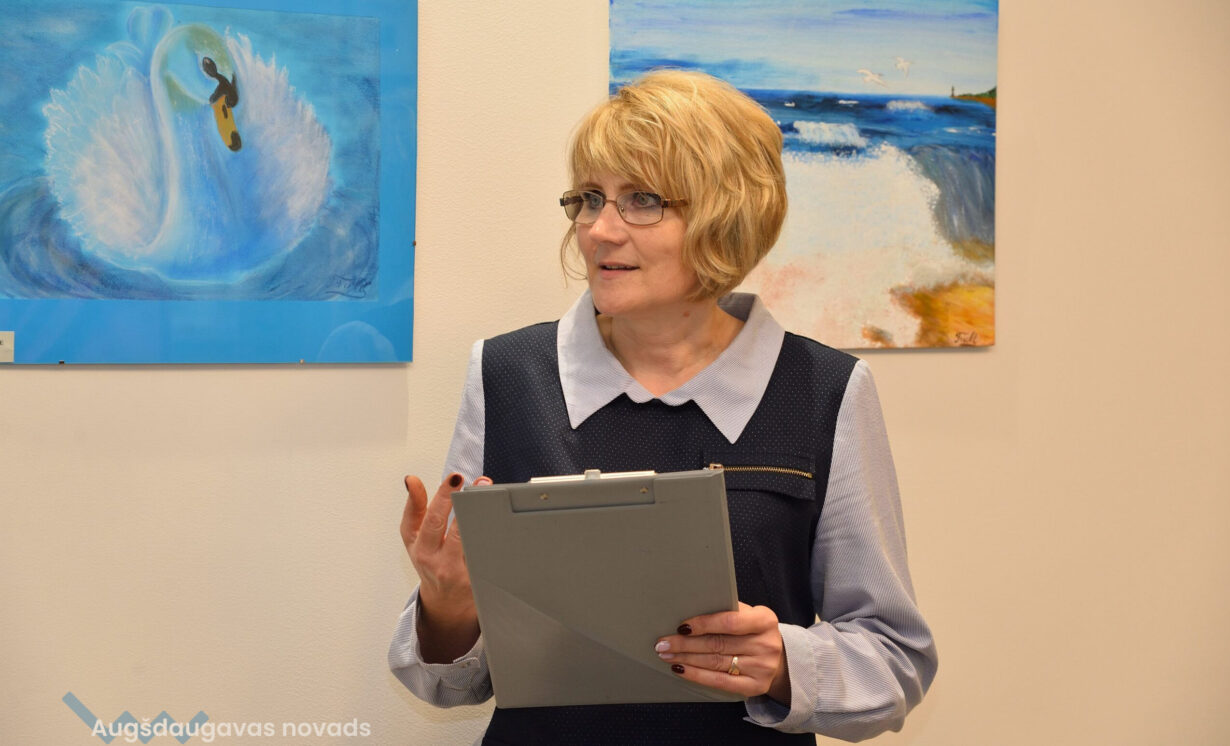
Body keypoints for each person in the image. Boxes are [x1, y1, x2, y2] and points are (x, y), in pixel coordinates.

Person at [389, 70, 936, 743]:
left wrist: (783, 663)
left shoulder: (824, 390)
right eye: (590, 198)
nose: (599, 230)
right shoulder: (506, 374)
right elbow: (451, 684)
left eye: (641, 200)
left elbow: (895, 662)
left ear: (727, 216)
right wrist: (447, 607)